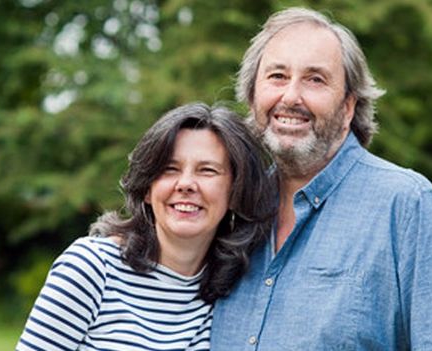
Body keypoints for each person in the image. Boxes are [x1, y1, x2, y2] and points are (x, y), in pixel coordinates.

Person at [210, 7, 432, 350]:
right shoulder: (232, 210)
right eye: (277, 76)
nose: (291, 96)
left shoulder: (404, 204)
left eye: (315, 79)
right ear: (253, 97)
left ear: (347, 108)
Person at [16, 102, 276, 351]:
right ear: (148, 190)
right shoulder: (92, 269)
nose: (185, 184)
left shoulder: (231, 292)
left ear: (235, 192)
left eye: (207, 170)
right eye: (170, 169)